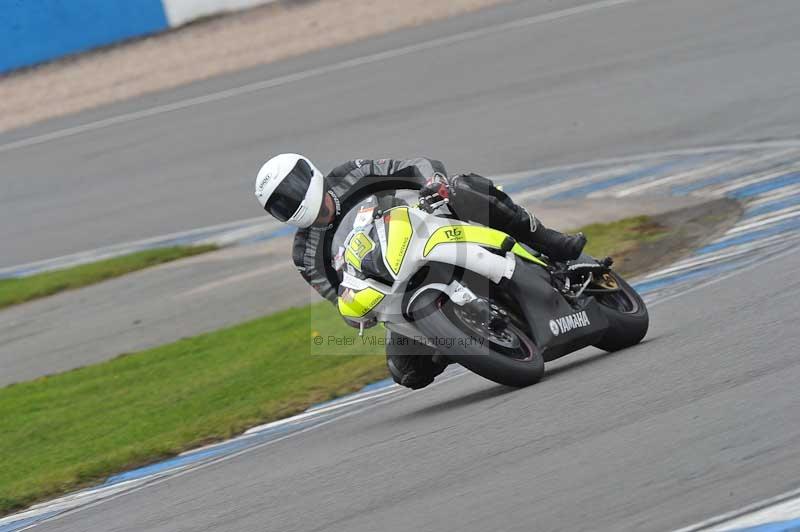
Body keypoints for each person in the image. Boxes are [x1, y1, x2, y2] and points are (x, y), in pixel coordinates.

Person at [254, 153, 586, 389]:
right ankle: (464, 339)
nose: (291, 201)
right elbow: (338, 299)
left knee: (465, 186)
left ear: (308, 174)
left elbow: (415, 166)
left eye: (292, 190)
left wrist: (433, 183)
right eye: (280, 203)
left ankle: (550, 241)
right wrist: (356, 313)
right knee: (406, 372)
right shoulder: (305, 254)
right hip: (390, 290)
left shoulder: (350, 174)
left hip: (427, 230)